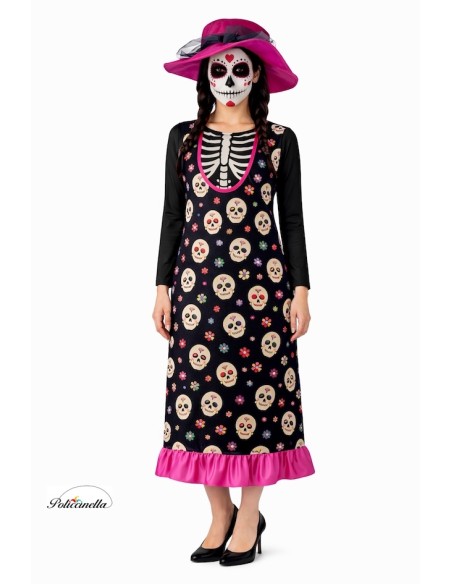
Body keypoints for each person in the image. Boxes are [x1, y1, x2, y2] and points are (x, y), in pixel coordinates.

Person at [152, 18, 315, 566]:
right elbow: (173, 217)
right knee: (199, 401)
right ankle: (219, 513)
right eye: (217, 70)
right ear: (204, 76)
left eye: (238, 69)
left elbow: (292, 220)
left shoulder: (280, 141)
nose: (227, 80)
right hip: (196, 292)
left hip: (263, 293)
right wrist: (161, 288)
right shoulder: (183, 138)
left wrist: (301, 290)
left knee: (257, 399)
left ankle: (249, 515)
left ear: (256, 75)